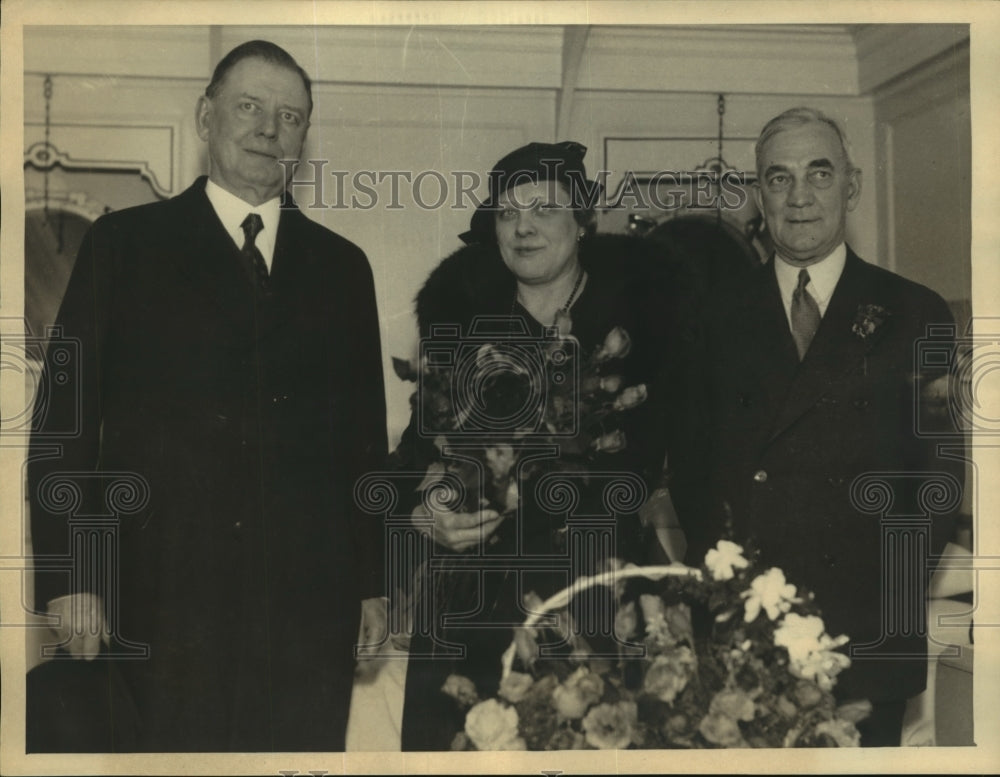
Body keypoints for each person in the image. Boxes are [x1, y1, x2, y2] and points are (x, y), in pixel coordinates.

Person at [27, 40, 387, 752]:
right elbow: (63, 424)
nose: (268, 129)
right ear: (205, 116)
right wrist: (73, 573)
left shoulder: (343, 268)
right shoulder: (123, 246)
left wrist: (373, 580)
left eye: (290, 117)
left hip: (307, 611)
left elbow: (364, 443)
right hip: (160, 598)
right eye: (249, 106)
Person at [390, 141, 685, 750]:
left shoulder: (645, 340)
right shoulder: (462, 336)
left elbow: (685, 469)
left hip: (599, 598)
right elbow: (408, 472)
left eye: (544, 209)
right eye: (506, 211)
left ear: (583, 223)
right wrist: (423, 516)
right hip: (470, 611)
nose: (522, 226)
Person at [690, 107, 962, 746]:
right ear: (760, 196)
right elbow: (693, 475)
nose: (800, 196)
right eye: (779, 178)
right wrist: (737, 597)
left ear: (853, 185)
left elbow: (939, 481)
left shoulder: (914, 311)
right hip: (746, 633)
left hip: (865, 636)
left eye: (819, 172)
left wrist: (877, 600)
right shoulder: (711, 318)